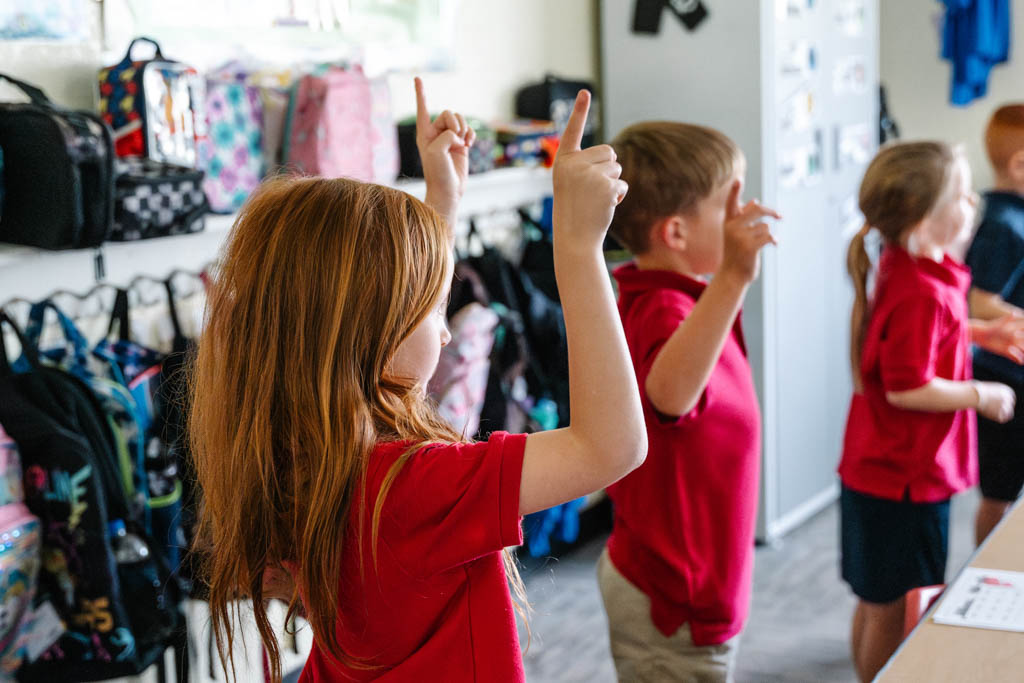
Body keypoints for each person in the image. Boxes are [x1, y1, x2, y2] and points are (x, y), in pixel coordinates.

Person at [188, 81, 647, 681]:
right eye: (435, 311)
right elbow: (610, 447)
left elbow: (389, 344)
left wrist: (443, 202)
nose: (449, 333)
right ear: (376, 338)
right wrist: (580, 250)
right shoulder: (414, 487)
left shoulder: (289, 447)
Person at [598, 121, 779, 682]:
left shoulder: (675, 298)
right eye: (730, 202)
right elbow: (670, 396)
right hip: (673, 600)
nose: (745, 212)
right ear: (675, 232)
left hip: (687, 577)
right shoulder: (663, 310)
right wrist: (734, 277)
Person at [839, 141, 1021, 682]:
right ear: (924, 217)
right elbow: (907, 385)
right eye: (961, 194)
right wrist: (980, 394)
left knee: (877, 600)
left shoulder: (908, 268)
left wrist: (979, 333)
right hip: (905, 481)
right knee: (894, 609)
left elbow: (919, 341)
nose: (974, 202)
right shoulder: (923, 289)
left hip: (883, 472)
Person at [965, 104, 1024, 544]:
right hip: (1004, 378)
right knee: (999, 494)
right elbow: (980, 302)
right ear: (1019, 164)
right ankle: (984, 570)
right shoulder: (1002, 224)